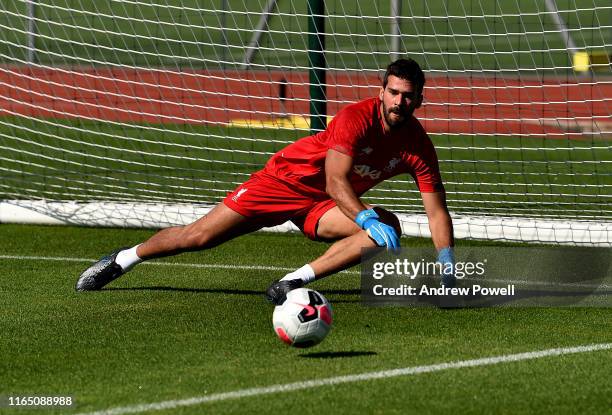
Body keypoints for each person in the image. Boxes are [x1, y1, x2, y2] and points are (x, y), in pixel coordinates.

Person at [76, 58, 456, 303]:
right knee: (198, 237)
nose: (398, 102)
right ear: (381, 92)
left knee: (388, 224)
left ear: (419, 99)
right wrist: (363, 216)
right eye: (392, 93)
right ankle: (126, 258)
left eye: (408, 97)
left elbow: (436, 212)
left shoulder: (419, 146)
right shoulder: (356, 118)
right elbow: (336, 181)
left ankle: (292, 282)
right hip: (284, 183)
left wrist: (446, 260)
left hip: (321, 208)